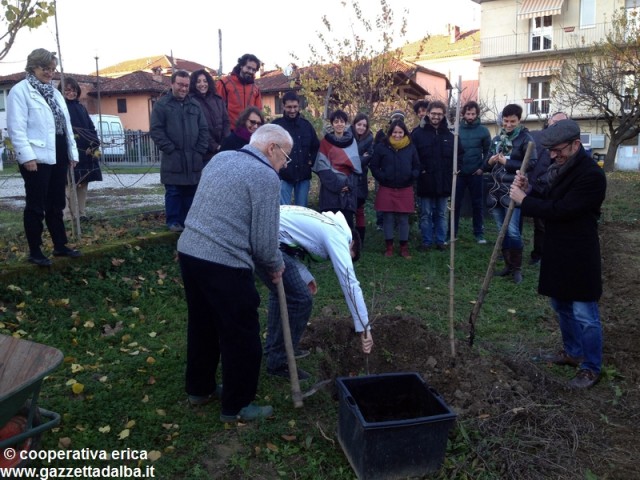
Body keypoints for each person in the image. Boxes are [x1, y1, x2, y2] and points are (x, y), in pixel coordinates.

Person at [177, 124, 292, 421]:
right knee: (241, 333)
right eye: (285, 158)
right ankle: (238, 405)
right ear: (271, 149)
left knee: (202, 324)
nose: (284, 165)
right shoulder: (265, 176)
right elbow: (264, 243)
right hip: (224, 262)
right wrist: (276, 265)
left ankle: (199, 389)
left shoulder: (221, 158)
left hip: (190, 252)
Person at [509, 119, 606, 389]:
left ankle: (590, 367)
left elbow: (561, 209)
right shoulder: (559, 168)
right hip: (557, 248)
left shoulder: (591, 175)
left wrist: (524, 200)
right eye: (550, 150)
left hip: (579, 251)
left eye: (558, 149)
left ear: (576, 145)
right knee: (560, 304)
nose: (553, 155)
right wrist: (527, 188)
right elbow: (545, 196)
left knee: (585, 312)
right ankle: (573, 353)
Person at [258, 205, 374, 380]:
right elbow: (349, 282)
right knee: (301, 299)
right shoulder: (337, 234)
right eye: (348, 254)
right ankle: (279, 361)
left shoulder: (324, 223)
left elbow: (291, 245)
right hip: (264, 238)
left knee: (283, 292)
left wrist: (305, 277)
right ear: (352, 243)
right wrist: (364, 327)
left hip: (264, 235)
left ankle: (274, 349)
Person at [6, 48, 80, 266]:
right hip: (35, 155)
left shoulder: (55, 93)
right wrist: (26, 157)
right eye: (45, 68)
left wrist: (71, 152)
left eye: (53, 69)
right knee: (36, 205)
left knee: (56, 203)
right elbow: (16, 128)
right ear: (32, 67)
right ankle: (35, 250)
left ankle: (60, 245)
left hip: (58, 151)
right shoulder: (20, 92)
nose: (50, 73)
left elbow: (65, 126)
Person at [150, 70, 209, 233]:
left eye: (186, 85)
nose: (183, 88)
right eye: (180, 85)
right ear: (172, 84)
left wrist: (199, 151)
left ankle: (189, 224)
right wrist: (170, 149)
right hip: (173, 160)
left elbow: (204, 129)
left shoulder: (195, 105)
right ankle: (173, 223)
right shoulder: (162, 105)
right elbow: (156, 131)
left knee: (191, 193)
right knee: (174, 192)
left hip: (193, 160)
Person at [484, 103, 537, 283]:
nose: (508, 125)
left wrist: (507, 163)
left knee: (513, 231)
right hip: (495, 191)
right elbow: (486, 165)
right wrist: (491, 161)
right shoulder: (497, 139)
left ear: (519, 120)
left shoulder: (525, 139)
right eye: (505, 121)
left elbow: (531, 163)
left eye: (512, 121)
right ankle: (508, 266)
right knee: (502, 231)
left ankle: (517, 269)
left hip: (513, 191)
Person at [370, 119, 420, 258]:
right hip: (387, 187)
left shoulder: (410, 147)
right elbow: (374, 166)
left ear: (405, 133)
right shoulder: (382, 147)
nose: (397, 135)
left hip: (405, 187)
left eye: (400, 132)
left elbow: (417, 166)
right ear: (390, 132)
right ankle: (389, 248)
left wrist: (412, 176)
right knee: (388, 218)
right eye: (395, 132)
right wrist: (382, 177)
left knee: (404, 219)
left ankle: (404, 248)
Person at [411, 100, 456, 251]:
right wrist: (420, 171)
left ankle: (441, 241)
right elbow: (412, 155)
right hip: (425, 180)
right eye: (433, 113)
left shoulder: (450, 135)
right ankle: (426, 241)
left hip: (444, 181)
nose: (436, 116)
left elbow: (459, 155)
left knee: (442, 213)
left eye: (439, 114)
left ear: (443, 115)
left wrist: (453, 172)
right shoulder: (417, 134)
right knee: (425, 213)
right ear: (428, 114)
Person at [527, 112, 569, 265]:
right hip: (527, 184)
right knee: (515, 219)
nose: (557, 125)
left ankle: (538, 255)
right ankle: (510, 252)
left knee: (541, 224)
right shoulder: (536, 136)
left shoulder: (566, 144)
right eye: (555, 121)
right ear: (549, 121)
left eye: (562, 123)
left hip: (545, 187)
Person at [59, 77, 102, 222]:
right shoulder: (60, 108)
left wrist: (94, 143)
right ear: (61, 91)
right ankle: (68, 215)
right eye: (67, 90)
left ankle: (81, 214)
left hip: (86, 151)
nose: (71, 93)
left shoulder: (81, 107)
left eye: (73, 90)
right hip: (70, 152)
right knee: (69, 184)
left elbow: (90, 128)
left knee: (83, 183)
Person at [313, 110, 362, 228]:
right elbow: (322, 168)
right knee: (330, 228)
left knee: (347, 227)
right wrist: (338, 185)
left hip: (348, 193)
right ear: (332, 124)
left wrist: (348, 185)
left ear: (346, 124)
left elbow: (356, 168)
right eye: (336, 121)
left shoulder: (352, 142)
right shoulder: (325, 143)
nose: (339, 124)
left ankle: (349, 247)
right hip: (330, 193)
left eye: (342, 121)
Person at [271, 91, 320, 207]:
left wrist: (310, 161)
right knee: (283, 211)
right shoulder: (276, 126)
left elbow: (315, 146)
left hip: (303, 175)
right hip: (283, 176)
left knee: (301, 210)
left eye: (295, 107)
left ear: (299, 106)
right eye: (289, 107)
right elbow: (269, 147)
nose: (292, 110)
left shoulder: (306, 125)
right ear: (283, 106)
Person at [453, 100, 491, 244]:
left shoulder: (483, 131)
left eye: (473, 113)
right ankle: (452, 233)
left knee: (477, 204)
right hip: (459, 173)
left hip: (476, 173)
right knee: (455, 205)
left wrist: (483, 167)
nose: (470, 116)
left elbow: (488, 151)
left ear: (477, 114)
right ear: (463, 114)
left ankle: (479, 234)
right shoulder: (456, 130)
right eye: (468, 113)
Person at [189, 69, 230, 162]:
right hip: (204, 154)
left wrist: (224, 144)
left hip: (222, 150)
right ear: (193, 84)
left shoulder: (218, 100)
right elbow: (198, 129)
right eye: (198, 82)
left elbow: (226, 122)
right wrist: (215, 146)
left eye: (205, 81)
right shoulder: (191, 102)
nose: (202, 84)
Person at [216, 53, 263, 129]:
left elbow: (259, 112)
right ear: (241, 66)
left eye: (254, 70)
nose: (251, 71)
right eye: (248, 68)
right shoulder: (224, 83)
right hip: (229, 131)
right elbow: (216, 109)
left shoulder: (255, 89)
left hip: (249, 132)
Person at [351, 113, 374, 243]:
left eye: (364, 125)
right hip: (347, 177)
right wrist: (361, 157)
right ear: (354, 124)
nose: (361, 128)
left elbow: (368, 157)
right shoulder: (347, 136)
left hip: (361, 179)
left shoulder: (370, 138)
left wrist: (356, 159)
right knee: (347, 210)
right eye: (359, 124)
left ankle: (360, 241)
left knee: (360, 210)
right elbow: (346, 158)